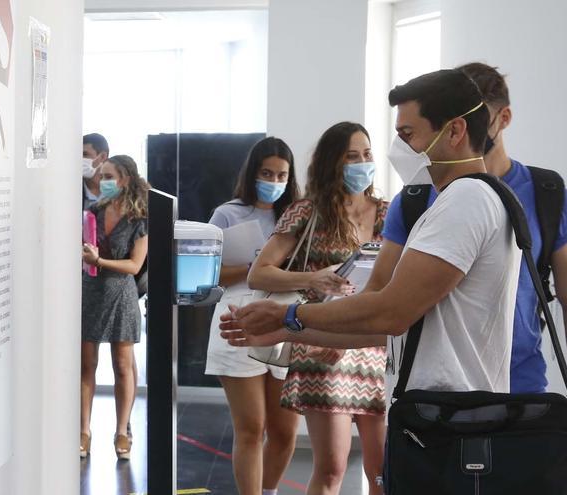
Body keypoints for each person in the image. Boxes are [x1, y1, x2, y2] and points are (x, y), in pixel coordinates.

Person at [220, 69, 520, 407]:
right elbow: (390, 328)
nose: (400, 148)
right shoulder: (461, 199)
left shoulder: (467, 200)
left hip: (450, 414)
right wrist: (287, 331)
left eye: (408, 134)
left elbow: (390, 312)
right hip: (438, 413)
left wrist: (289, 315)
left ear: (454, 131)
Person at [376, 62, 567, 447]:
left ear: (501, 118)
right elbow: (380, 300)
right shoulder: (413, 200)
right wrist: (296, 323)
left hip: (521, 394)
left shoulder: (548, 196)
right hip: (437, 400)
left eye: (480, 113)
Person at [245, 123, 389, 495]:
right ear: (332, 163)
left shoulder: (391, 213)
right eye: (351, 156)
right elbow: (259, 274)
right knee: (331, 469)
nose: (362, 163)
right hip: (320, 344)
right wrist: (311, 279)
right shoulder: (306, 211)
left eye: (367, 155)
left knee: (383, 472)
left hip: (372, 347)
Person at [204, 137, 301, 495]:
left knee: (285, 431)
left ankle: (269, 490)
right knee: (251, 426)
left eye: (281, 174)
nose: (273, 181)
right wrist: (257, 267)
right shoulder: (227, 213)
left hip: (285, 320)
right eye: (266, 173)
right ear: (252, 173)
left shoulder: (296, 214)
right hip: (237, 316)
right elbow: (208, 273)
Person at [80, 155, 149, 460]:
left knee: (123, 366)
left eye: (109, 176)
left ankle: (122, 431)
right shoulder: (91, 212)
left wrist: (99, 261)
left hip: (121, 294)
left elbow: (134, 266)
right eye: (102, 176)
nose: (103, 181)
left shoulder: (140, 219)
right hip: (91, 291)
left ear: (125, 180)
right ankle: (83, 430)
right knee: (86, 365)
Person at [83, 133, 110, 210]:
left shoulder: (116, 190)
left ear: (102, 157)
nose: (80, 159)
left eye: (85, 154)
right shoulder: (71, 190)